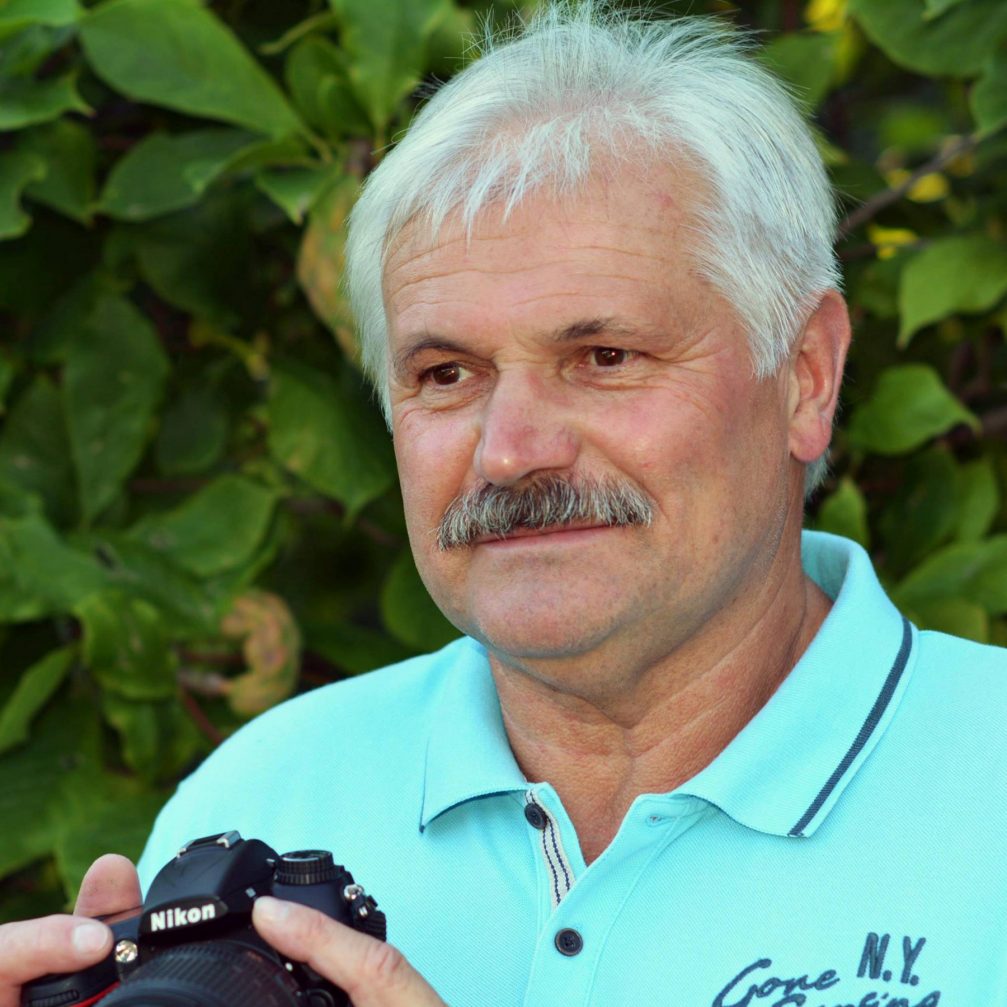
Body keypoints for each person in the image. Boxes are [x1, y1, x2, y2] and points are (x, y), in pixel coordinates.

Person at [3, 4, 1004, 1006]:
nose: (511, 448)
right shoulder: (261, 791)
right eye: (445, 372)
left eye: (603, 357)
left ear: (804, 375)